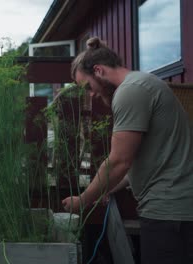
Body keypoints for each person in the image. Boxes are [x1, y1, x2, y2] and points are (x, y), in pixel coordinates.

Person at [62, 37, 193, 264]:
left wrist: (82, 200)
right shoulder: (142, 84)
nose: (90, 94)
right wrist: (109, 188)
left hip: (170, 213)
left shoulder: (130, 91)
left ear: (99, 70)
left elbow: (119, 161)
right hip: (174, 209)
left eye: (88, 87)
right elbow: (139, 160)